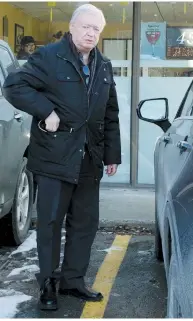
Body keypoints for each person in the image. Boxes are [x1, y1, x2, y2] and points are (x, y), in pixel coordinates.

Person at [3, 4, 121, 311]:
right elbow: (13, 86)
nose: (91, 33)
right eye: (85, 27)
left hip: (89, 158)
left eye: (96, 29)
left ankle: (73, 281)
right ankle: (48, 284)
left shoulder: (104, 66)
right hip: (54, 156)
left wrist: (112, 155)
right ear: (72, 27)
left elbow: (111, 113)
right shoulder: (48, 57)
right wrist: (47, 110)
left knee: (85, 223)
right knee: (51, 223)